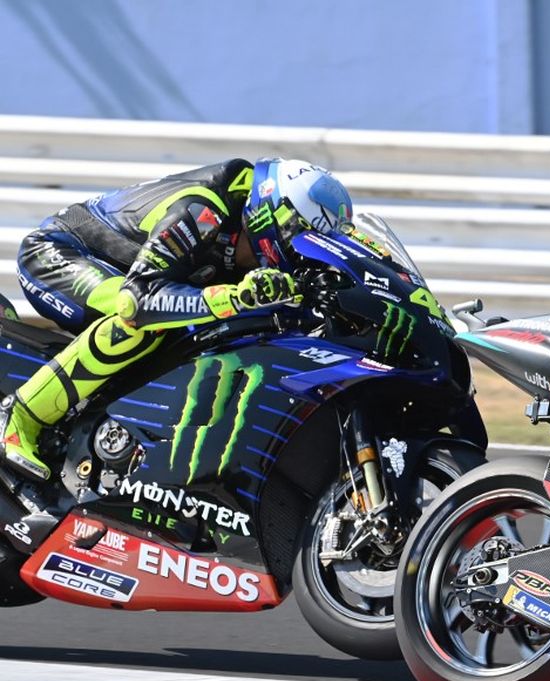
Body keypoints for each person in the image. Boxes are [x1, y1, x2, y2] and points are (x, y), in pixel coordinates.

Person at [1, 158, 354, 481]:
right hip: (58, 254)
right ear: (272, 219)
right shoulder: (204, 207)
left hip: (134, 278)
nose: (307, 256)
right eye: (302, 240)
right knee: (143, 323)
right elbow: (137, 301)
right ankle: (18, 417)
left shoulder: (259, 235)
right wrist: (232, 298)